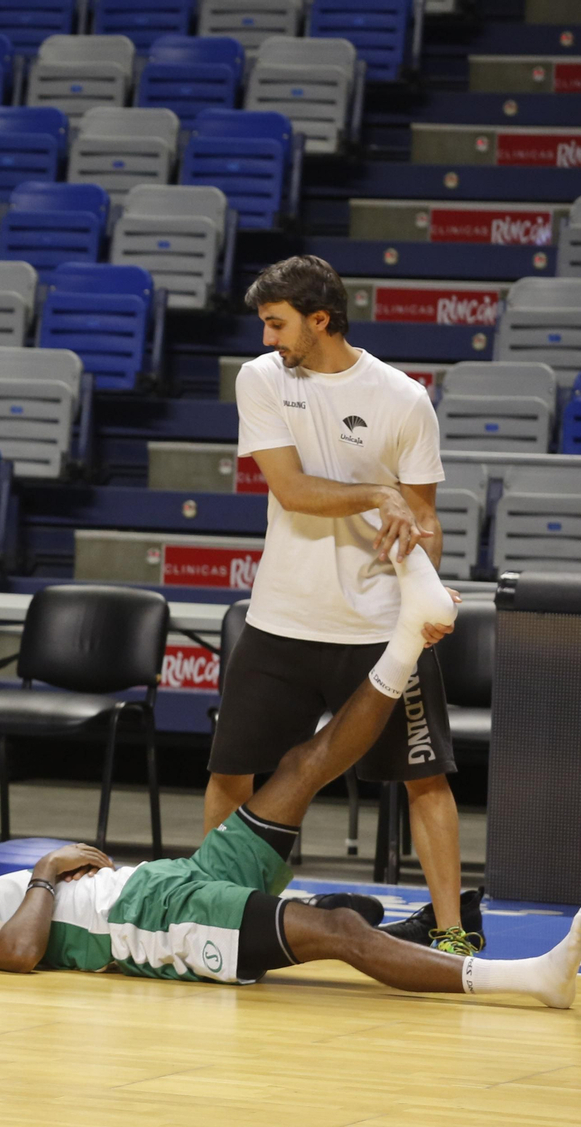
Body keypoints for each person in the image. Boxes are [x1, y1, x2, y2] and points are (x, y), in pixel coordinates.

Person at [0, 550, 581, 1007]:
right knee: (337, 929)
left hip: (174, 881)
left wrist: (54, 877)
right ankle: (527, 981)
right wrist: (49, 870)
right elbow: (22, 951)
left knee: (305, 762)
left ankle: (409, 634)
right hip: (157, 924)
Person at [210, 255, 477, 954]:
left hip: (379, 627)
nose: (267, 338)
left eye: (277, 323)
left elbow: (426, 520)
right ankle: (214, 909)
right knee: (230, 771)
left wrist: (425, 581)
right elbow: (293, 490)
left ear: (319, 319)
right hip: (282, 618)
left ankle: (451, 932)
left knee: (426, 778)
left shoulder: (403, 398)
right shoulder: (260, 379)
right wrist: (375, 493)